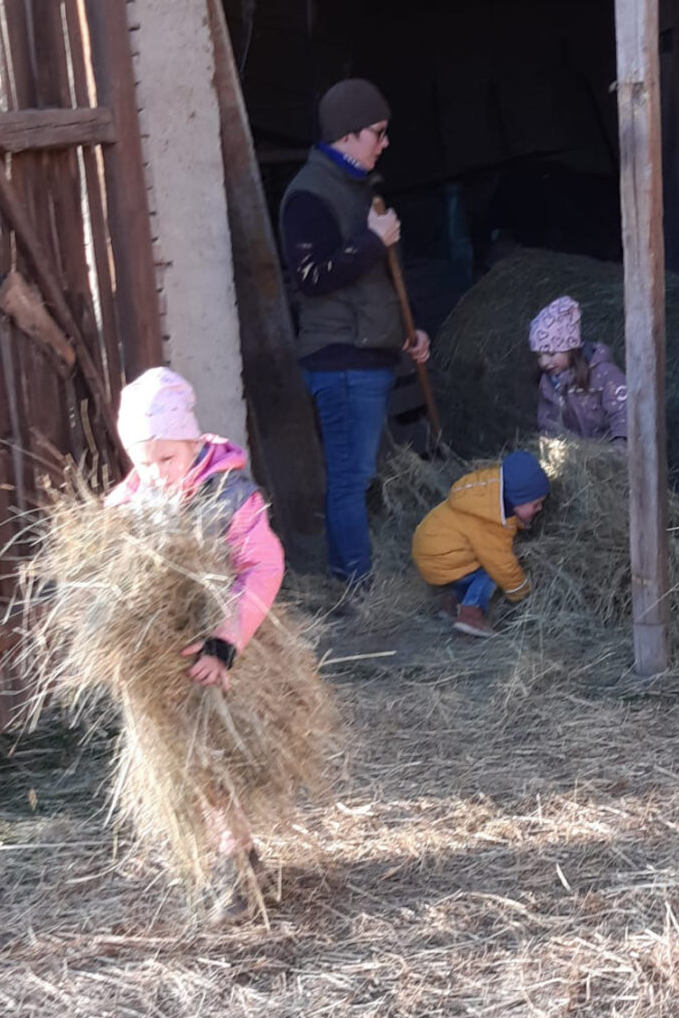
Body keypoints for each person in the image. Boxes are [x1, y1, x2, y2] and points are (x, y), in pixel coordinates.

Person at [106, 367, 285, 916]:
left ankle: (237, 868)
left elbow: (262, 566)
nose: (157, 474)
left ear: (193, 441)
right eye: (144, 461)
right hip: (165, 661)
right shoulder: (132, 498)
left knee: (214, 761)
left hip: (224, 651)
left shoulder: (229, 494)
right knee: (188, 767)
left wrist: (226, 639)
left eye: (168, 458)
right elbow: (109, 555)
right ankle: (234, 860)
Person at [278, 78, 430, 587]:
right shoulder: (308, 196)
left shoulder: (360, 189)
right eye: (378, 132)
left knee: (356, 475)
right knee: (349, 478)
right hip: (338, 358)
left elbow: (379, 284)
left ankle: (351, 579)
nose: (384, 143)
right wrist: (370, 240)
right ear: (347, 134)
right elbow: (311, 277)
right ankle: (357, 589)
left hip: (367, 352)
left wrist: (408, 332)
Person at [411, 450, 550, 638]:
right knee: (491, 571)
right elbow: (501, 565)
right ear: (516, 501)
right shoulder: (489, 522)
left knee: (474, 564)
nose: (540, 508)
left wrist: (519, 520)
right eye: (535, 505)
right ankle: (471, 614)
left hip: (433, 549)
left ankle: (451, 604)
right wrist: (522, 592)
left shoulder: (489, 493)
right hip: (440, 560)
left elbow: (508, 515)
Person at [530, 296, 628, 442]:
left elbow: (622, 411)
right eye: (539, 356)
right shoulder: (549, 383)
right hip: (576, 458)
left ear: (570, 349)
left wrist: (620, 441)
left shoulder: (605, 375)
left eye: (551, 353)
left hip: (609, 455)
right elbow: (547, 421)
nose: (544, 362)